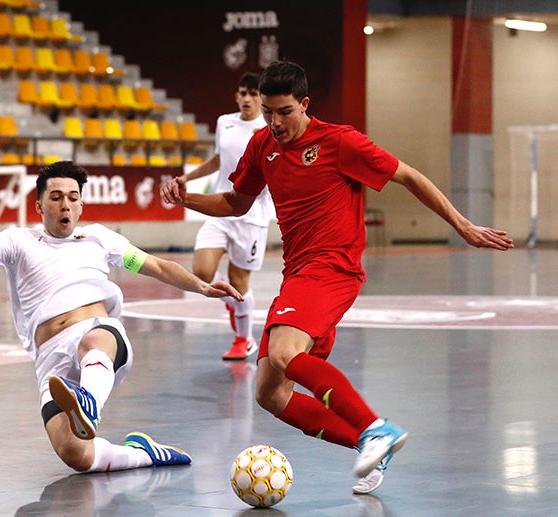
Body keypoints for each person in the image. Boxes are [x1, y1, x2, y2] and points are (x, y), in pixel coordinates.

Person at [160, 60, 514, 495]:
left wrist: (462, 225)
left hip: (333, 267)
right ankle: (371, 447)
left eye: (285, 111)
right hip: (298, 273)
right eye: (268, 112)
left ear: (305, 104)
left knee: (287, 352)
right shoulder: (261, 145)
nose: (275, 122)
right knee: (270, 393)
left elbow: (409, 177)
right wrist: (187, 198)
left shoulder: (340, 142)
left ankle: (375, 428)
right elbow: (237, 201)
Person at [0, 156, 244, 473]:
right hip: (51, 358)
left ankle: (88, 399)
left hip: (100, 336)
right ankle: (144, 454)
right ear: (39, 206)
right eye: (56, 198)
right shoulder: (19, 242)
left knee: (93, 341)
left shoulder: (100, 239)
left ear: (81, 206)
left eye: (73, 199)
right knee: (77, 455)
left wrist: (201, 286)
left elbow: (156, 266)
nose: (65, 206)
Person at [174, 72, 273, 361]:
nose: (247, 99)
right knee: (202, 273)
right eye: (243, 93)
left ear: (261, 98)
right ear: (236, 96)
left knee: (239, 280)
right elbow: (218, 160)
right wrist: (187, 177)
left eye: (253, 94)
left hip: (252, 215)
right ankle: (230, 301)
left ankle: (244, 339)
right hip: (220, 209)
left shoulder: (267, 128)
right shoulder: (224, 122)